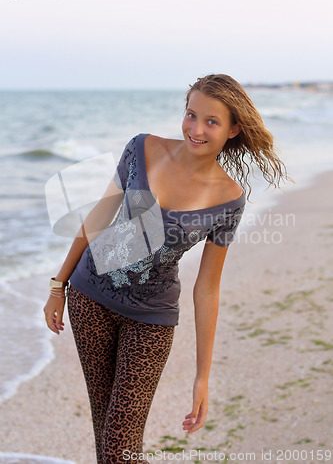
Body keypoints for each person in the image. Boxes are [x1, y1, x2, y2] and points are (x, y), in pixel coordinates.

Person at [43, 74, 288, 464]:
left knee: (120, 442)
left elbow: (207, 287)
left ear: (233, 130)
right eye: (191, 115)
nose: (196, 129)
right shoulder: (142, 149)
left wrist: (202, 377)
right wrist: (59, 285)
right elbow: (100, 215)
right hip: (89, 299)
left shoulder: (229, 200)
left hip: (151, 320)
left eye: (212, 121)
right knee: (106, 431)